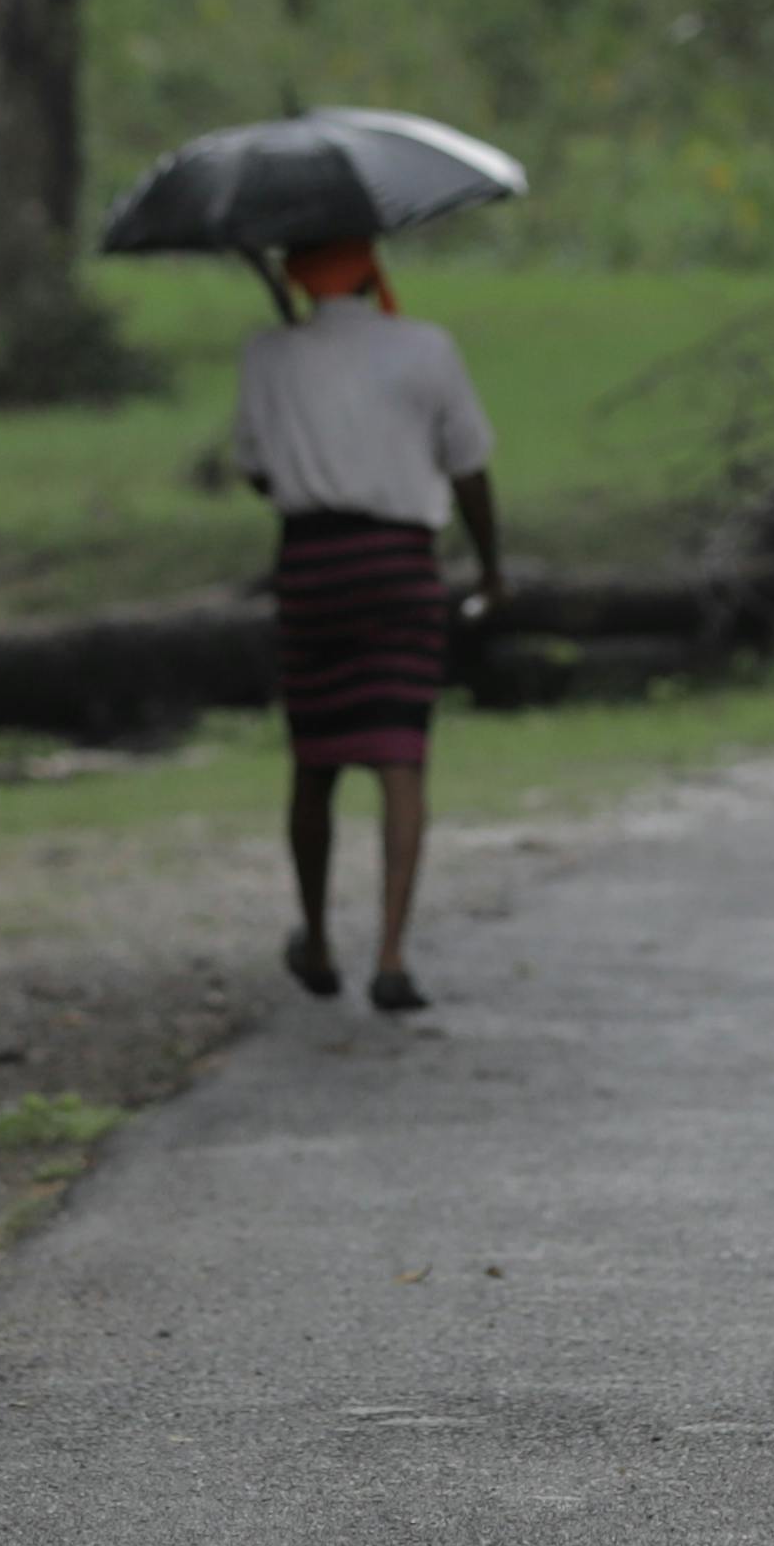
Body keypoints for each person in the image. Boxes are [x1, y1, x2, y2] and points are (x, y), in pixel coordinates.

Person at [229, 235, 502, 1012]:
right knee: (400, 758)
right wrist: (491, 570)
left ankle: (315, 937)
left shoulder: (270, 353)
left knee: (314, 757)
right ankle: (389, 954)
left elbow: (256, 468)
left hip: (313, 566)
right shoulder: (426, 348)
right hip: (399, 567)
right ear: (370, 265)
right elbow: (469, 465)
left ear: (296, 274)